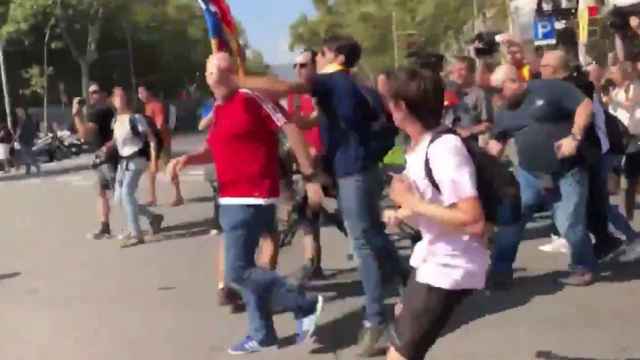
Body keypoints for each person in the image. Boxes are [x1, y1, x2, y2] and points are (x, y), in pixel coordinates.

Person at [239, 35, 409, 356]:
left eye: (318, 55)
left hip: (353, 173)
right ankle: (408, 281)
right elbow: (324, 120)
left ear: (335, 56)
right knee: (371, 235)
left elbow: (287, 88)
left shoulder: (332, 80)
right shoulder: (358, 87)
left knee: (363, 245)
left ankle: (376, 322)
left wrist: (239, 79)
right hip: (367, 171)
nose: (313, 61)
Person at [169, 53, 324, 355]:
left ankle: (302, 303)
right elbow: (213, 149)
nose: (218, 76)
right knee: (249, 269)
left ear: (233, 74)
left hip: (252, 197)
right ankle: (262, 334)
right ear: (207, 76)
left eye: (224, 70)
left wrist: (309, 175)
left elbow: (290, 126)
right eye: (212, 70)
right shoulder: (218, 108)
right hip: (230, 198)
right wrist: (188, 159)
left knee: (237, 272)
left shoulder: (252, 98)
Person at [379, 66, 488, 360]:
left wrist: (412, 204)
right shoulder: (419, 147)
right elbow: (436, 207)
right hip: (431, 258)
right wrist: (403, 212)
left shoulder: (444, 149)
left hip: (450, 266)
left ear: (400, 106)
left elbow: (472, 220)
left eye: (386, 100)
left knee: (400, 356)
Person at [487, 64, 597, 287]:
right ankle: (499, 271)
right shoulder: (504, 112)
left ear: (514, 81)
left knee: (568, 223)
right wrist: (483, 167)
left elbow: (585, 105)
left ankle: (583, 266)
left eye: (499, 90)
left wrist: (574, 138)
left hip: (567, 169)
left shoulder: (550, 89)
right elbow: (497, 141)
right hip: (529, 174)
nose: (496, 96)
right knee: (512, 220)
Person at [539, 50, 626, 260]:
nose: (539, 71)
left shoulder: (577, 86)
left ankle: (605, 245)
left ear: (554, 69)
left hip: (589, 152)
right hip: (577, 154)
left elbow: (577, 115)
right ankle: (606, 241)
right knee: (591, 203)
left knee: (590, 203)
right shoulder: (559, 86)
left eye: (543, 67)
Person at [286, 49, 327, 281]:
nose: (298, 70)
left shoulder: (325, 90)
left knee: (340, 215)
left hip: (329, 159)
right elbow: (294, 128)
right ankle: (312, 261)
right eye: (295, 66)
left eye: (303, 65)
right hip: (306, 162)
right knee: (306, 210)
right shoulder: (294, 95)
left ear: (314, 65)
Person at [111, 86, 164, 248]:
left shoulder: (135, 118)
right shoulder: (115, 121)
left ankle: (136, 233)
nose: (120, 99)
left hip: (138, 159)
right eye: (117, 96)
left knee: (127, 193)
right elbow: (116, 143)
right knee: (119, 199)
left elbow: (152, 139)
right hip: (123, 162)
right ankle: (153, 218)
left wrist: (154, 160)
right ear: (113, 101)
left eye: (123, 96)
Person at [73, 82, 117, 240]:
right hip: (104, 157)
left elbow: (85, 134)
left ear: (104, 94)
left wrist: (76, 114)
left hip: (107, 158)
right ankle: (105, 226)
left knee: (121, 194)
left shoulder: (99, 112)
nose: (92, 95)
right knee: (101, 192)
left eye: (96, 92)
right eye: (90, 93)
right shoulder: (109, 110)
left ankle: (151, 217)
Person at [138, 83, 184, 207]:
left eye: (142, 92)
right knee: (151, 171)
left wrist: (151, 132)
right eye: (139, 93)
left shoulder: (156, 105)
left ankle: (178, 196)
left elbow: (160, 124)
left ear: (149, 93)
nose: (140, 95)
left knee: (169, 169)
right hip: (154, 143)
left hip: (162, 142)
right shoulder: (147, 106)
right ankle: (153, 198)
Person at [608, 62, 640, 222]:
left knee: (630, 179)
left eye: (614, 72)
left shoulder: (634, 87)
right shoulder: (614, 89)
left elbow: (631, 104)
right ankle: (622, 217)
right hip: (616, 137)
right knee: (618, 178)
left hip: (632, 137)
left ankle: (627, 216)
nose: (611, 75)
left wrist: (612, 100)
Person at [444, 55, 492, 142]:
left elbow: (488, 124)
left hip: (468, 144)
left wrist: (469, 131)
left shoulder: (479, 94)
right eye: (455, 70)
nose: (458, 74)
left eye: (462, 70)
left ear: (471, 73)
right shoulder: (447, 91)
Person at [14, 107, 41, 176]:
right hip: (27, 139)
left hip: (24, 140)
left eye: (18, 112)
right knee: (27, 154)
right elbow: (33, 129)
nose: (17, 114)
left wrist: (16, 137)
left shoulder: (22, 120)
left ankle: (36, 166)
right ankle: (28, 169)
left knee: (27, 154)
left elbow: (19, 130)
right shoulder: (28, 119)